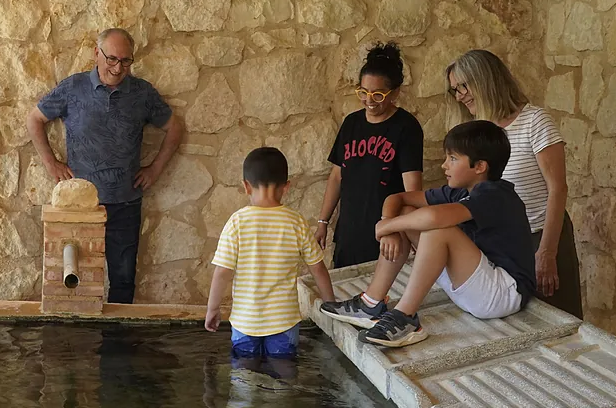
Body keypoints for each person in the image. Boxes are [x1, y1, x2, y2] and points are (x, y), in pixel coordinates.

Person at [320, 121, 538, 348]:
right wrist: (389, 225)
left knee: (439, 231)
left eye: (453, 159)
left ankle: (406, 318)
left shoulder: (495, 194)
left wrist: (386, 227)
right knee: (407, 214)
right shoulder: (461, 190)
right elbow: (398, 198)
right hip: (474, 285)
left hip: (504, 294)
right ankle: (370, 303)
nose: (445, 165)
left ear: (480, 166)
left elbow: (435, 219)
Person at [28, 28, 184, 303]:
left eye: (126, 61)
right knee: (76, 280)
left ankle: (118, 346)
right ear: (96, 54)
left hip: (125, 202)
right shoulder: (73, 87)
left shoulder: (142, 93)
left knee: (123, 281)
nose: (117, 67)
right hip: (79, 206)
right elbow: (35, 120)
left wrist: (155, 169)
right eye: (111, 59)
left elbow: (174, 128)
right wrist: (52, 164)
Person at [446, 49, 582, 317]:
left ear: (486, 79)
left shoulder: (534, 121)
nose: (460, 95)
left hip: (539, 236)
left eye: (464, 85)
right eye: (454, 90)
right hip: (496, 242)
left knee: (557, 320)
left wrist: (547, 252)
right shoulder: (474, 133)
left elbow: (558, 189)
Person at [205, 147, 336, 359]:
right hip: (283, 321)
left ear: (246, 186)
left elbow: (222, 272)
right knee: (283, 374)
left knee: (244, 376)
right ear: (286, 187)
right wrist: (331, 305)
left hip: (246, 321)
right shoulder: (296, 222)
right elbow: (318, 268)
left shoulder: (237, 222)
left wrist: (213, 309)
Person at [317, 42, 424, 268]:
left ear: (395, 93)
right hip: (349, 231)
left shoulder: (406, 127)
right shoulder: (351, 123)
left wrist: (396, 228)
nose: (369, 100)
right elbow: (337, 176)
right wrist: (323, 222)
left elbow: (412, 190)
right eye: (364, 92)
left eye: (378, 94)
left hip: (386, 234)